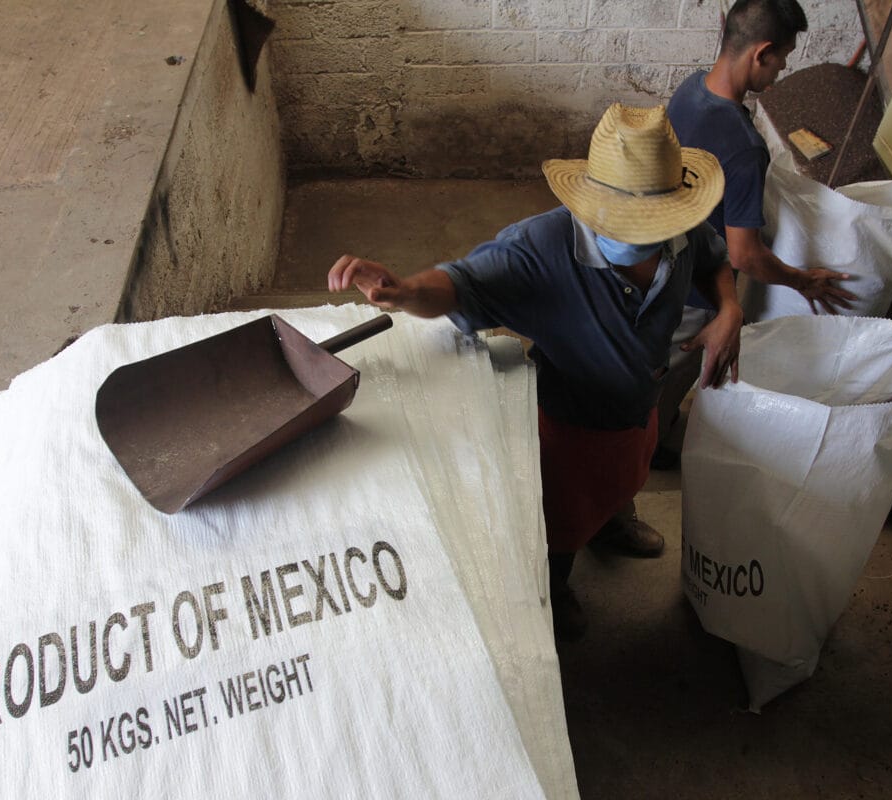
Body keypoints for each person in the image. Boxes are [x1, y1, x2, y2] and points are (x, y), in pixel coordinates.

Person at [328, 104, 742, 640]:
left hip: (640, 407)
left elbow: (713, 259)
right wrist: (405, 291)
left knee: (624, 479)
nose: (647, 232)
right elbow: (461, 284)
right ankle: (555, 584)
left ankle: (613, 522)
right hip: (568, 428)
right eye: (630, 220)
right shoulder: (540, 250)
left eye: (655, 221)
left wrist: (729, 310)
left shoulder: (680, 226)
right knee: (557, 523)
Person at [651, 0, 858, 466]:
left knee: (655, 364)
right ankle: (648, 446)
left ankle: (656, 425)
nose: (781, 71)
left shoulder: (689, 91)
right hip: (695, 289)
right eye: (782, 59)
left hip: (660, 255)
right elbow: (744, 254)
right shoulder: (745, 149)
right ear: (761, 53)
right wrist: (803, 281)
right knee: (670, 372)